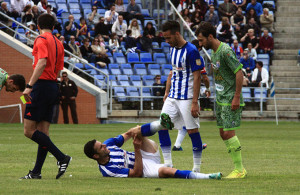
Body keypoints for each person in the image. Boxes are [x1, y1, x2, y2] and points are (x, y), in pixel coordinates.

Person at [84, 115, 222, 180]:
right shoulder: (108, 170)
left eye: (102, 143)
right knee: (168, 171)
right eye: (101, 147)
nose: (104, 145)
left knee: (137, 132)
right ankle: (207, 176)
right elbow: (137, 174)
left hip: (146, 153)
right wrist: (136, 149)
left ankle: (160, 124)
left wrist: (137, 130)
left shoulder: (109, 145)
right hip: (144, 168)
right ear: (96, 156)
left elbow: (127, 134)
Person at [21, 14, 71, 180]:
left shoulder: (41, 39)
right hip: (52, 86)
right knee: (43, 132)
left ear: (37, 25)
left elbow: (42, 62)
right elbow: (59, 68)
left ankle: (61, 157)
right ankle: (36, 172)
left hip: (41, 86)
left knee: (29, 131)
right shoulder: (59, 43)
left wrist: (29, 86)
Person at [196, 21, 247, 179]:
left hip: (230, 97)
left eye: (201, 40)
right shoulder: (213, 52)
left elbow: (239, 72)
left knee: (229, 133)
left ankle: (239, 169)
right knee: (223, 134)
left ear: (210, 36)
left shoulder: (225, 51)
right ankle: (237, 168)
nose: (200, 43)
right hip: (220, 98)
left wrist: (236, 97)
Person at [159, 21, 209, 173]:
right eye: (165, 38)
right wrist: (167, 92)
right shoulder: (172, 49)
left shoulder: (192, 50)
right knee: (162, 126)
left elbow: (197, 77)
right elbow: (173, 71)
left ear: (177, 34)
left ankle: (197, 168)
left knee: (193, 131)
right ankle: (168, 164)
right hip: (173, 96)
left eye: (168, 38)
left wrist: (195, 102)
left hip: (187, 98)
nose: (167, 41)